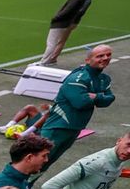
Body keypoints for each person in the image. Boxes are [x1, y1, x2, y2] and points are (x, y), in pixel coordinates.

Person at [36, 45, 114, 174]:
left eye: (108, 55)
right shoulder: (78, 77)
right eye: (100, 56)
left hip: (75, 128)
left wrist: (95, 96)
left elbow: (109, 100)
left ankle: (26, 188)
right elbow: (81, 103)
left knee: (49, 160)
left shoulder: (104, 79)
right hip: (57, 127)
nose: (105, 58)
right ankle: (12, 188)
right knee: (39, 160)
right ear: (88, 60)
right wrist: (101, 97)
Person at [42, 0, 92, 66]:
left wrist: (57, 18)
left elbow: (78, 11)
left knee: (59, 41)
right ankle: (52, 58)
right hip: (72, 21)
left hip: (70, 21)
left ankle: (51, 59)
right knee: (60, 40)